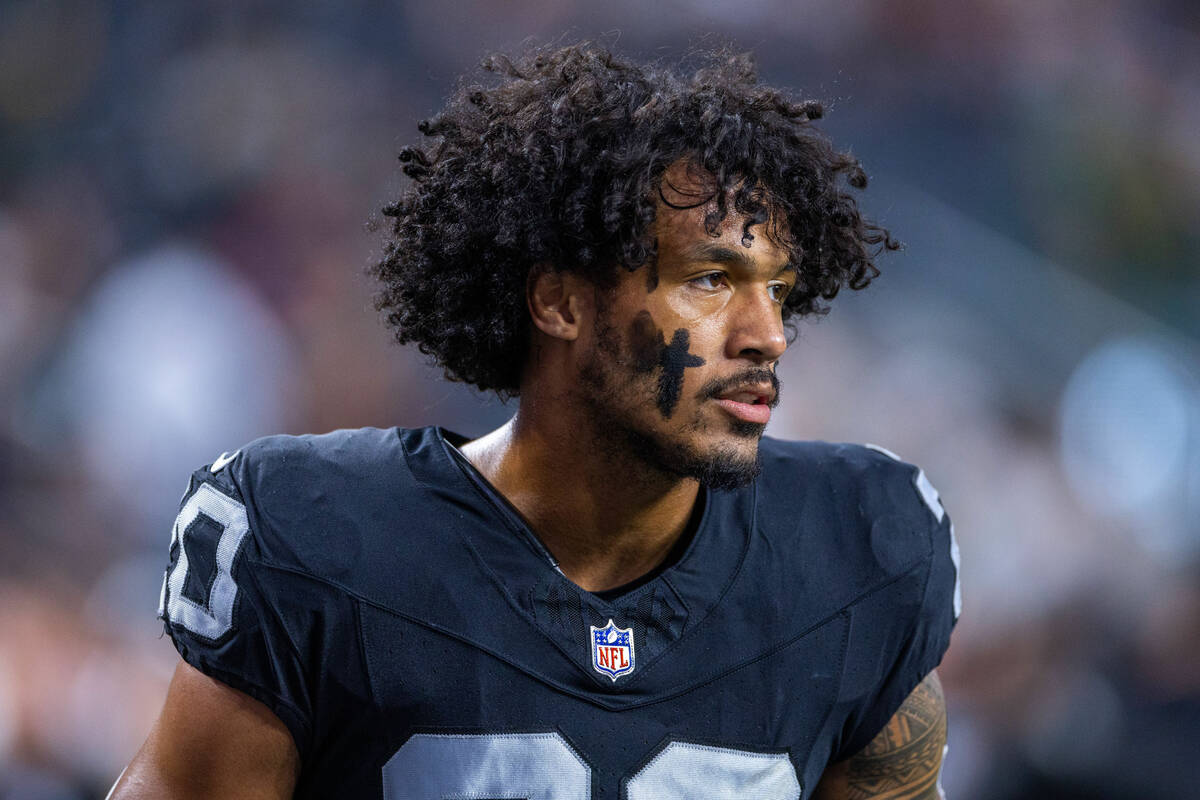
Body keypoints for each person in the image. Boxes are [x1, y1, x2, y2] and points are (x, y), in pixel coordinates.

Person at [111, 42, 960, 799]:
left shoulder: (861, 550)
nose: (767, 334)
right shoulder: (316, 539)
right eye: (709, 279)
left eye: (776, 290)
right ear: (559, 301)